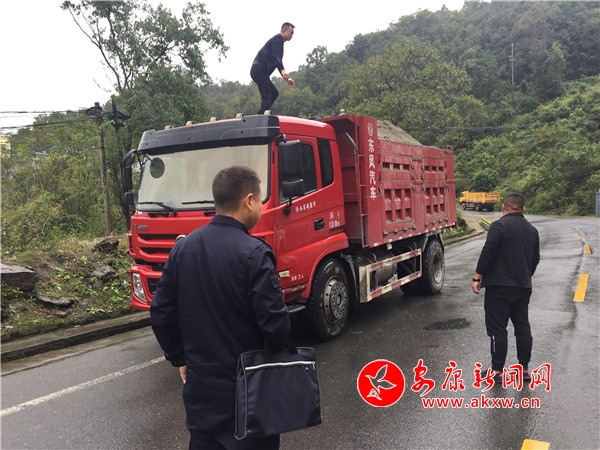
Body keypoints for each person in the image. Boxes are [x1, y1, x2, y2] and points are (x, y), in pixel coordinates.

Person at [150, 166, 291, 449]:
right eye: (260, 199)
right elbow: (275, 325)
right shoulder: (254, 253)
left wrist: (180, 357)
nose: (260, 206)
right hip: (249, 390)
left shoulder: (183, 249)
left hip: (201, 390)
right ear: (248, 200)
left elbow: (161, 313)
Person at [471, 192, 540, 383]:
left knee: (497, 329)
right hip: (523, 286)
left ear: (503, 207)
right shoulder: (532, 230)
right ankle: (524, 370)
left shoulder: (498, 226)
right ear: (523, 208)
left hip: (499, 287)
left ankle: (497, 371)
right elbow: (535, 258)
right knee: (522, 327)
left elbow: (488, 253)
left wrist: (477, 277)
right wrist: (525, 275)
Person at [251, 22, 296, 114]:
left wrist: (287, 78)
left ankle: (261, 114)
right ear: (284, 30)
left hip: (260, 71)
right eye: (291, 33)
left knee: (274, 93)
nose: (292, 35)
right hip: (258, 69)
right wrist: (283, 70)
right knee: (268, 94)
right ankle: (262, 117)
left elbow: (277, 61)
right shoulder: (278, 39)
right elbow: (276, 56)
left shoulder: (279, 43)